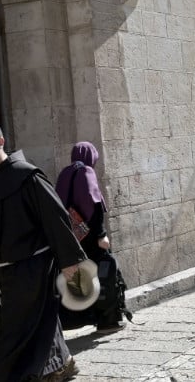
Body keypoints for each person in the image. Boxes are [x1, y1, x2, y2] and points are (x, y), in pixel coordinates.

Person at [0, 120, 87, 382]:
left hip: (33, 267)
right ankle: (60, 366)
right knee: (38, 324)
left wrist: (70, 261)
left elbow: (55, 218)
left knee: (14, 332)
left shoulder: (26, 176)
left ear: (0, 141)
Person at [55, 141, 132, 334]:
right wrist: (101, 235)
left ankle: (83, 317)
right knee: (104, 274)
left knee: (83, 276)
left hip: (70, 239)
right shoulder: (86, 172)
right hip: (89, 237)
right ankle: (108, 321)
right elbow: (94, 203)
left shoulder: (64, 174)